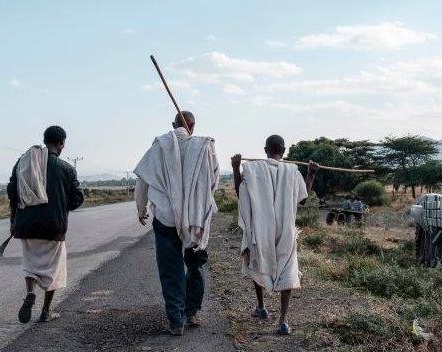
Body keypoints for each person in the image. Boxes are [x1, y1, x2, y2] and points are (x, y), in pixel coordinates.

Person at [134, 111, 219, 336]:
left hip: (166, 218)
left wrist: (141, 207)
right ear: (193, 126)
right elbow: (214, 182)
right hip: (195, 220)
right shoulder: (204, 147)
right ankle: (192, 312)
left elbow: (143, 178)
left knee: (171, 270)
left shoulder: (159, 146)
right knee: (195, 265)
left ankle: (176, 320)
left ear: (173, 124)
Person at [231, 135, 317, 336]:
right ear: (284, 150)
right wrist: (311, 174)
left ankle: (261, 307)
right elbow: (302, 201)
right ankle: (283, 321)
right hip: (286, 231)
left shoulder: (253, 169)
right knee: (288, 270)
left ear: (265, 149)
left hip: (262, 230)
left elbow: (239, 192)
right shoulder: (293, 171)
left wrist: (235, 167)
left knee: (258, 261)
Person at [7, 125, 84, 323]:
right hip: (53, 228)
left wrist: (13, 220)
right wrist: (60, 206)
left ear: (44, 140)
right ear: (62, 144)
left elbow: (12, 192)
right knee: (54, 270)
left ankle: (30, 293)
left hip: (27, 225)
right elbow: (77, 198)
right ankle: (46, 311)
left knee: (30, 265)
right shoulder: (67, 169)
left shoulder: (24, 163)